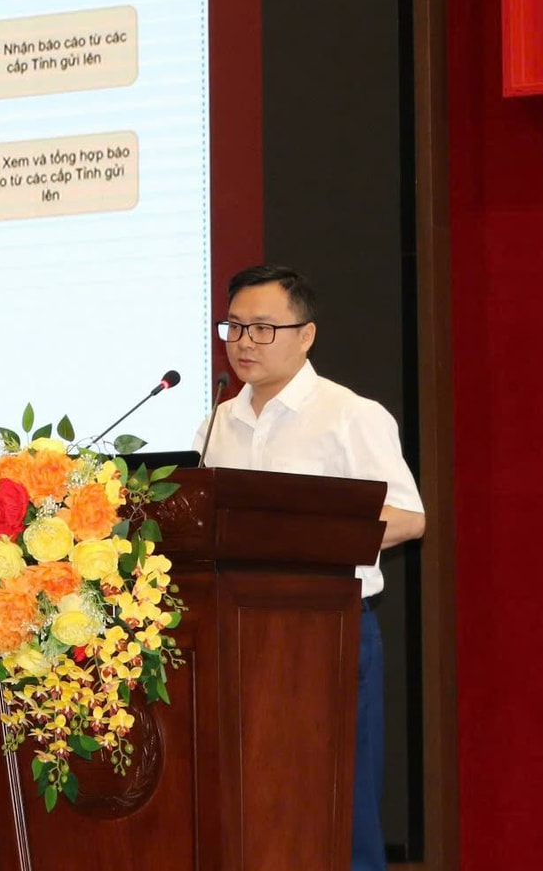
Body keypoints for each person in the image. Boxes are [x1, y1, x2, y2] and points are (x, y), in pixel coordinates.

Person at [195, 264, 425, 871]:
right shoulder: (216, 424)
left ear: (306, 335)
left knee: (337, 807)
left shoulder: (349, 414)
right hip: (236, 638)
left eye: (263, 328)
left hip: (330, 633)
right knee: (257, 805)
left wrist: (307, 536)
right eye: (234, 326)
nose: (244, 341)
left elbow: (409, 517)